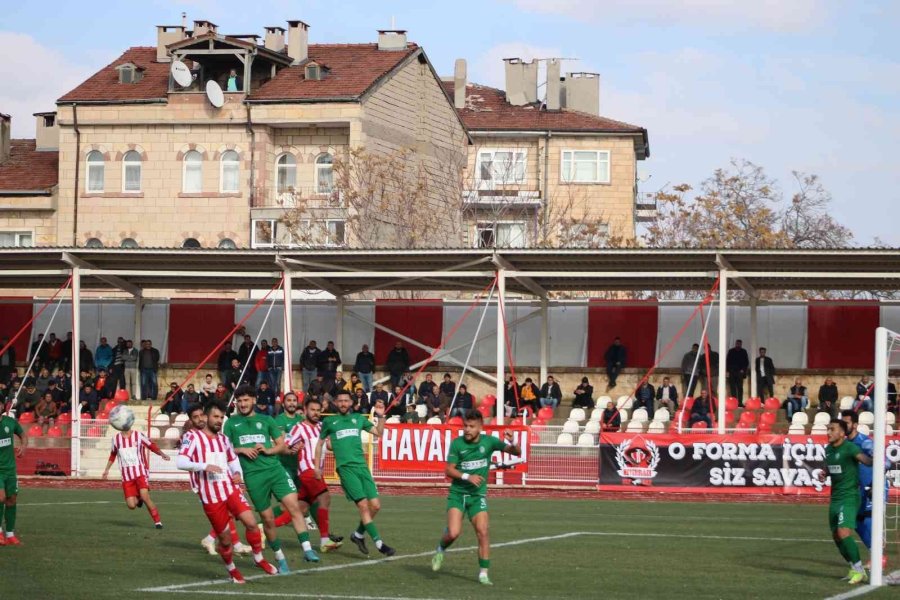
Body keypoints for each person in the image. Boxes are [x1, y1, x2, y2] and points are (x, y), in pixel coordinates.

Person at [177, 401, 280, 583]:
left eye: (221, 418)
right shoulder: (192, 437)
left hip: (229, 489)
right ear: (206, 417)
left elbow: (232, 459)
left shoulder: (224, 439)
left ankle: (258, 558)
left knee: (251, 524)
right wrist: (204, 466)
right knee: (225, 540)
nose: (218, 421)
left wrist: (237, 473)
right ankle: (232, 569)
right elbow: (181, 462)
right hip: (210, 496)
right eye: (215, 417)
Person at [223, 385, 319, 572]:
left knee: (294, 506)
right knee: (267, 519)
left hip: (275, 470)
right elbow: (223, 449)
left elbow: (282, 446)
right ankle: (279, 557)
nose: (242, 404)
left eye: (246, 400)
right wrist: (241, 449)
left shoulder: (266, 420)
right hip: (253, 477)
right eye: (239, 401)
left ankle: (307, 550)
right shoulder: (231, 423)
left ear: (253, 400)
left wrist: (268, 450)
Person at [431, 410, 521, 585]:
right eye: (465, 426)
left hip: (477, 495)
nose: (467, 429)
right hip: (457, 495)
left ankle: (483, 573)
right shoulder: (457, 444)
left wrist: (513, 441)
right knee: (454, 533)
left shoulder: (489, 442)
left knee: (483, 532)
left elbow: (516, 452)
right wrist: (467, 476)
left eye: (471, 426)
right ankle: (441, 548)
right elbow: (449, 470)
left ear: (480, 427)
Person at [314, 391, 394, 557]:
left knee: (376, 506)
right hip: (345, 469)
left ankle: (357, 535)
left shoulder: (358, 419)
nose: (343, 403)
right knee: (363, 506)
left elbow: (378, 433)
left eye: (346, 400)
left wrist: (381, 416)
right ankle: (380, 544)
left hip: (362, 468)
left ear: (351, 402)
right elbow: (320, 444)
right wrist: (317, 466)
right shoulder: (329, 421)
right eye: (340, 400)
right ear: (335, 402)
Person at [186, 404, 253, 558]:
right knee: (226, 512)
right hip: (204, 483)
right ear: (191, 420)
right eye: (195, 417)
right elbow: (187, 461)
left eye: (200, 415)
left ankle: (224, 542)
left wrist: (234, 473)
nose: (199, 419)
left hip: (222, 480)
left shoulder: (215, 436)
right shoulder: (192, 436)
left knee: (228, 511)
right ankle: (221, 541)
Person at [285, 396, 344, 552]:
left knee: (301, 509)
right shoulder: (298, 428)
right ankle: (325, 540)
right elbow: (284, 446)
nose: (316, 413)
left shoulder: (321, 427)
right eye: (312, 410)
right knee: (325, 498)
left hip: (317, 471)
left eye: (318, 410)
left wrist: (341, 442)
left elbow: (329, 445)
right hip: (307, 470)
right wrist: (293, 449)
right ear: (305, 410)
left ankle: (263, 528)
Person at [817, 419, 872, 585]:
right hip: (835, 498)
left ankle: (860, 570)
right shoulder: (828, 450)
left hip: (849, 496)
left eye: (832, 429)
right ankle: (853, 567)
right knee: (836, 536)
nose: (828, 432)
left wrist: (875, 457)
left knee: (843, 532)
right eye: (827, 429)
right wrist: (824, 474)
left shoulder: (850, 448)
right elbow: (830, 466)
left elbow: (865, 460)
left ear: (842, 433)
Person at [100, 417, 170, 528]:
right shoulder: (116, 439)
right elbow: (113, 454)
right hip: (127, 476)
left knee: (145, 496)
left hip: (140, 472)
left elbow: (151, 445)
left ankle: (158, 522)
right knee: (131, 505)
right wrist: (106, 470)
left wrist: (162, 454)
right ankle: (139, 499)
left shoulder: (138, 436)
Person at [271, 392, 321, 536]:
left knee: (311, 498)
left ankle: (325, 534)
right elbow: (281, 442)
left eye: (294, 400)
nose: (292, 403)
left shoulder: (301, 419)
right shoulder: (279, 420)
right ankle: (261, 526)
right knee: (285, 505)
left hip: (300, 468)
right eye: (289, 400)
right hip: (284, 467)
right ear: (283, 403)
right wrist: (294, 447)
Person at [0, 406, 26, 546]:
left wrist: (23, 446)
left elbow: (23, 435)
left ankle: (10, 534)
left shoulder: (10, 422)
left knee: (12, 500)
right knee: (1, 497)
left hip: (10, 469)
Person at [726, 340, 750, 405]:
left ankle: (740, 402)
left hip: (740, 372)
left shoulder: (743, 351)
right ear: (735, 344)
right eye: (737, 343)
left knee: (740, 388)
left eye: (739, 344)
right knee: (732, 388)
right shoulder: (731, 351)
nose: (738, 345)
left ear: (741, 344)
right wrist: (728, 371)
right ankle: (734, 402)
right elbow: (727, 362)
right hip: (732, 372)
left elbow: (746, 362)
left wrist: (743, 370)